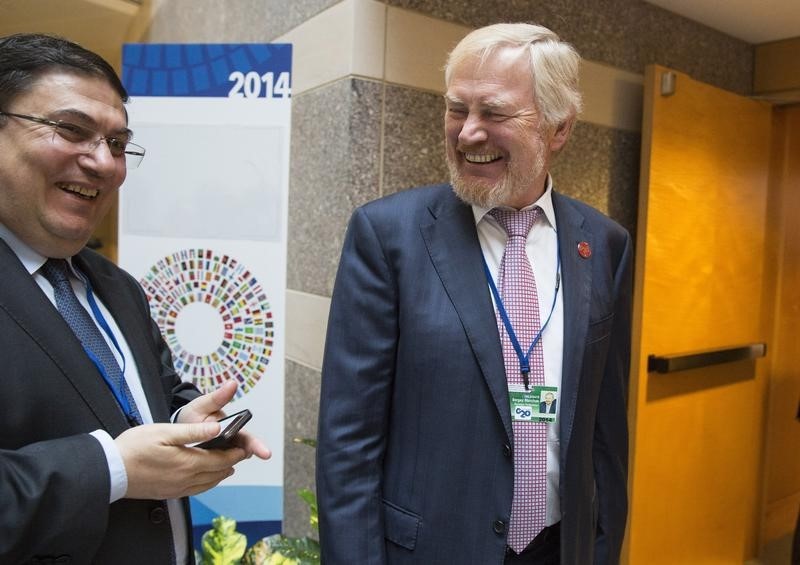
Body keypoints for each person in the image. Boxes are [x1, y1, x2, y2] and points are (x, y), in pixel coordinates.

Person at [316, 23, 632, 565]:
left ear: (558, 129)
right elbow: (348, 444)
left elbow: (606, 434)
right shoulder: (388, 236)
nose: (467, 134)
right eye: (457, 109)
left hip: (557, 548)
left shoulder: (603, 243)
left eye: (494, 113)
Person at [0, 33, 271, 564]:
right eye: (71, 130)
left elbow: (145, 398)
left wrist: (186, 421)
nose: (104, 163)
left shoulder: (116, 286)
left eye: (120, 144)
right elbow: (114, 455)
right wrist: (111, 468)